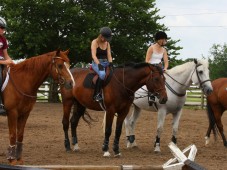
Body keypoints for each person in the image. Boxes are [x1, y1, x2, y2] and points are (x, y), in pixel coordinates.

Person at [145, 31, 169, 103]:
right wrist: (154, 67)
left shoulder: (164, 50)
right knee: (152, 80)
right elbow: (147, 60)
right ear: (159, 40)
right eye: (163, 39)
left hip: (159, 68)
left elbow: (166, 61)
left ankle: (164, 95)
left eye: (165, 39)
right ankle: (151, 97)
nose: (165, 41)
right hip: (151, 67)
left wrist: (165, 68)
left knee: (164, 79)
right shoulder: (151, 48)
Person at [91, 27, 113, 102]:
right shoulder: (95, 42)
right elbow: (93, 55)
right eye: (105, 38)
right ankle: (96, 95)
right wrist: (99, 65)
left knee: (115, 72)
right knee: (102, 74)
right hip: (96, 62)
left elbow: (109, 55)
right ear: (101, 36)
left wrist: (111, 63)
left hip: (106, 62)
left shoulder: (107, 43)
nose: (106, 40)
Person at [0, 17, 14, 115]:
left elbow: (6, 55)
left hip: (2, 62)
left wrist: (11, 61)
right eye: (2, 28)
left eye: (4, 28)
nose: (3, 30)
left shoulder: (3, 40)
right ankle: (0, 104)